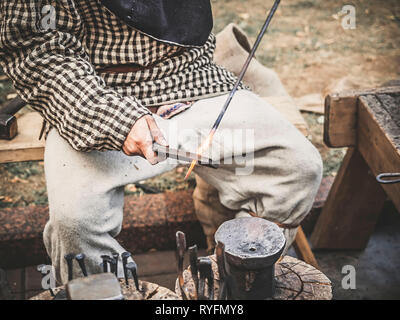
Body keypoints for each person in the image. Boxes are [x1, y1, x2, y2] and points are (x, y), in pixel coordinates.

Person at [0, 0, 322, 284]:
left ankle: (233, 278)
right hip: (98, 92)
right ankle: (107, 292)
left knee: (296, 167)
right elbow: (35, 50)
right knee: (77, 222)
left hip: (196, 79)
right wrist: (117, 119)